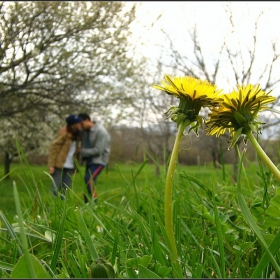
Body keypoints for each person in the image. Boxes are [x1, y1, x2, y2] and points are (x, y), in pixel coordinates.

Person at [78, 113, 111, 204]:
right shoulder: (85, 131)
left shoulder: (101, 131)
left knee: (89, 181)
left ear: (87, 120)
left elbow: (98, 151)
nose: (80, 126)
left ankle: (94, 204)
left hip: (99, 161)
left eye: (81, 123)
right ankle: (87, 204)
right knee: (87, 182)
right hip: (89, 161)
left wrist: (80, 151)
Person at [48, 114, 82, 199]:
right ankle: (53, 207)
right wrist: (51, 165)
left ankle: (63, 209)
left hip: (70, 166)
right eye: (78, 123)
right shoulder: (65, 134)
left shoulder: (77, 135)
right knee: (55, 188)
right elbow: (54, 147)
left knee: (65, 189)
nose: (79, 124)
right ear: (72, 124)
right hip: (59, 164)